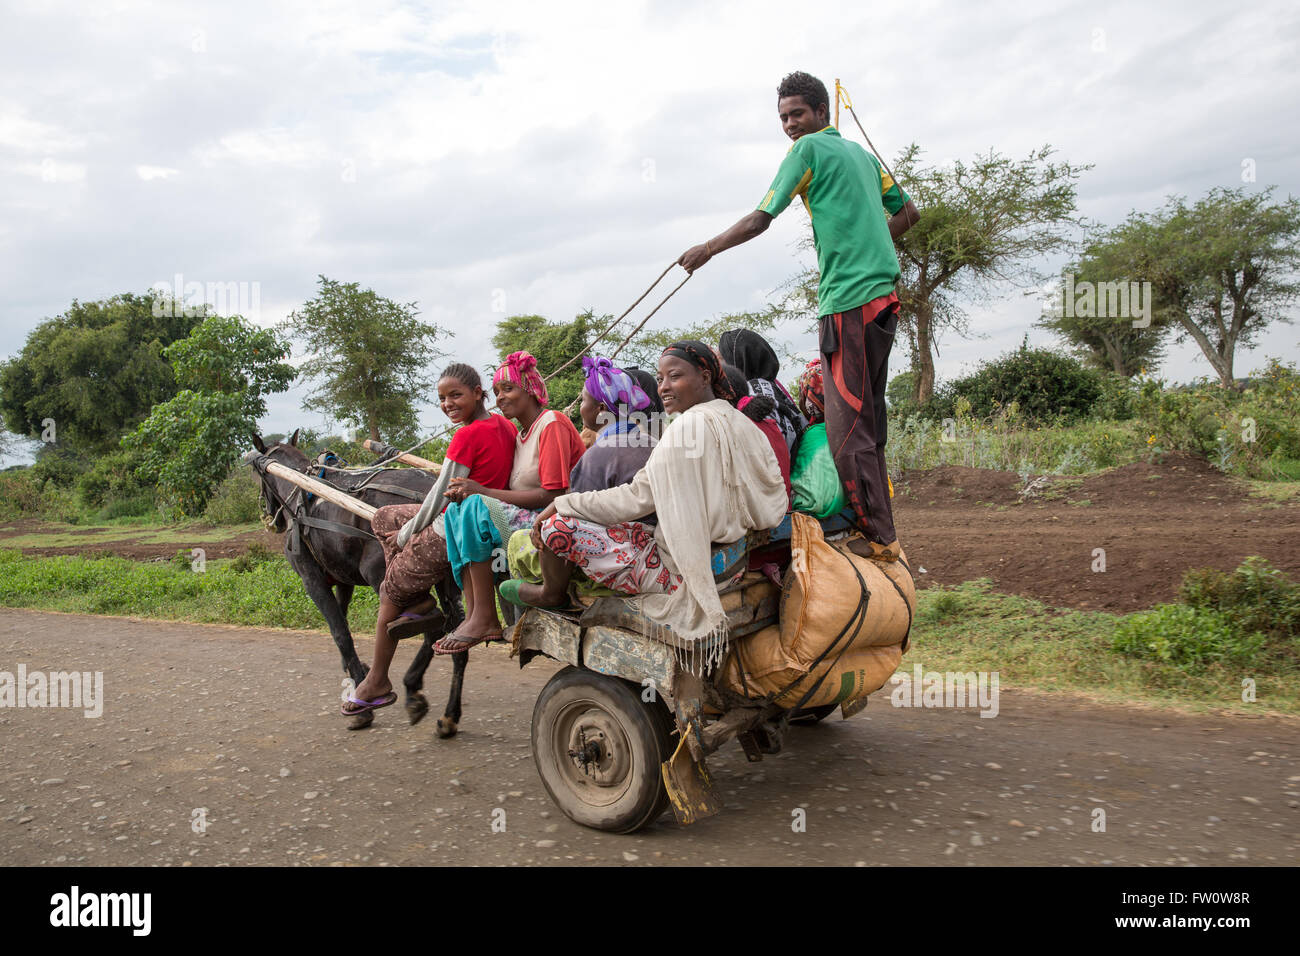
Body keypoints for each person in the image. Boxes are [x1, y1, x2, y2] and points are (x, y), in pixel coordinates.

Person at [677, 70, 919, 560]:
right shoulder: (865, 157)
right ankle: (882, 527)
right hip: (884, 296)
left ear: (822, 114)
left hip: (847, 300)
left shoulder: (806, 152)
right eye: (784, 117)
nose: (790, 125)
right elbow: (910, 213)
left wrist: (708, 248)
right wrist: (870, 240)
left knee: (845, 425)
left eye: (798, 114)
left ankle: (876, 538)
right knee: (870, 419)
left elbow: (761, 217)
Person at [503, 341, 788, 675]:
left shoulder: (684, 428)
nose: (664, 387)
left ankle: (551, 594)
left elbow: (635, 497)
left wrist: (562, 505)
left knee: (557, 528)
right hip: (735, 563)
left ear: (705, 376)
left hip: (683, 573)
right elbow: (775, 495)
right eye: (660, 378)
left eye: (675, 376)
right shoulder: (741, 423)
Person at [343, 363, 517, 717]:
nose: (448, 403)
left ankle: (377, 680)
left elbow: (439, 496)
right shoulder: (502, 424)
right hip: (481, 513)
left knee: (389, 590)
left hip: (452, 526)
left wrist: (406, 535)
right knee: (381, 516)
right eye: (441, 398)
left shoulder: (465, 436)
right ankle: (419, 601)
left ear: (478, 393)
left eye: (456, 395)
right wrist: (401, 529)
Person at [433, 351, 585, 653]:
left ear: (530, 389)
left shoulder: (551, 424)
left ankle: (486, 616)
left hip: (557, 519)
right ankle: (475, 611)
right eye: (498, 391)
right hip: (532, 515)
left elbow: (554, 495)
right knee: (457, 509)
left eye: (509, 389)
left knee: (476, 503)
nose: (500, 397)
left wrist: (482, 491)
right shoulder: (520, 434)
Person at [505, 354, 658, 597]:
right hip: (654, 547)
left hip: (622, 553)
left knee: (523, 540)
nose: (580, 407)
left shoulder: (599, 454)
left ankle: (552, 595)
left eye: (584, 400)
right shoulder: (653, 442)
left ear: (599, 409)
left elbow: (574, 511)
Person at [718, 328, 806, 454]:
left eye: (722, 359)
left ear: (738, 359)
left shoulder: (752, 394)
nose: (720, 368)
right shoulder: (772, 386)